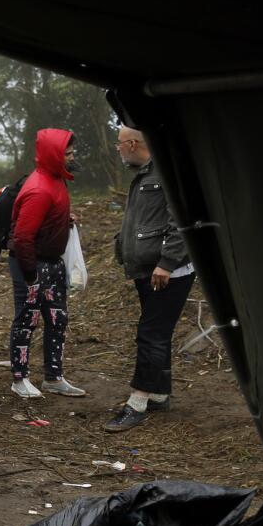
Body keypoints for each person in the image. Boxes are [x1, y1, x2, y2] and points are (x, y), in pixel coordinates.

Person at [105, 127, 194, 431]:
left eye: (119, 144)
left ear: (132, 144)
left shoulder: (167, 173)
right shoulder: (144, 173)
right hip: (149, 268)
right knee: (158, 330)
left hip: (167, 271)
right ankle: (159, 392)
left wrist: (168, 263)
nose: (118, 149)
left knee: (151, 333)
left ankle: (138, 401)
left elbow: (180, 219)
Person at [8, 129, 86, 399]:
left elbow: (45, 219)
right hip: (32, 265)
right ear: (54, 155)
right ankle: (20, 379)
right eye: (68, 153)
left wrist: (65, 219)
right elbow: (22, 236)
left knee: (57, 319)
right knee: (27, 320)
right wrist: (30, 276)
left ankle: (54, 376)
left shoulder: (57, 180)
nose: (73, 156)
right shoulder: (39, 188)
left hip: (53, 263)